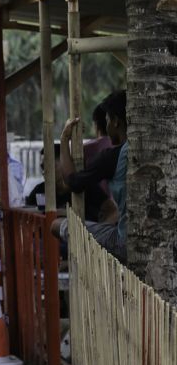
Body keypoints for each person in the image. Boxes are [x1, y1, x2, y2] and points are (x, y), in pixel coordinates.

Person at [53, 91, 128, 262]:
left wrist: (64, 139)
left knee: (55, 225)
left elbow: (72, 181)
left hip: (124, 243)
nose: (106, 125)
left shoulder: (111, 156)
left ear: (115, 121)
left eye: (108, 119)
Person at [25, 143, 117, 224]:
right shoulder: (40, 190)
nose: (44, 172)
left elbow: (112, 210)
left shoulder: (87, 187)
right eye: (42, 168)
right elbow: (26, 213)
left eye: (48, 166)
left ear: (63, 162)